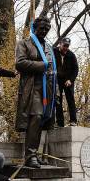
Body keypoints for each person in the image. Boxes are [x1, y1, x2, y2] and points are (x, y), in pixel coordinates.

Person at [15, 16, 57, 168]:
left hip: (47, 89)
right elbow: (19, 63)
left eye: (47, 29)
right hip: (31, 88)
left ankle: (33, 154)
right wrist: (42, 65)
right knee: (36, 117)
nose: (44, 31)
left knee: (40, 122)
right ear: (35, 28)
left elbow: (53, 69)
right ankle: (30, 154)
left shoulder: (48, 47)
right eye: (41, 28)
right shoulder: (24, 43)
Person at [53, 37, 79, 127]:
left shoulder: (71, 55)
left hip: (68, 80)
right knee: (57, 100)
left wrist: (70, 80)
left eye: (67, 46)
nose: (65, 48)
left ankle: (73, 121)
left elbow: (76, 69)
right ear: (60, 44)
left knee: (70, 99)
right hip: (57, 80)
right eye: (64, 46)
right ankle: (60, 123)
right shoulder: (53, 51)